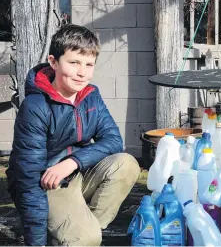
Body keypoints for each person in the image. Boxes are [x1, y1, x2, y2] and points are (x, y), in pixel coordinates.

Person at [6, 24, 140, 246]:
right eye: (74, 62)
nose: (82, 72)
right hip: (45, 185)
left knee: (125, 163)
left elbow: (114, 141)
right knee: (86, 238)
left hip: (75, 173)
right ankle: (72, 233)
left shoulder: (90, 96)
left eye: (89, 64)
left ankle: (78, 230)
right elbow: (28, 179)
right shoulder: (35, 106)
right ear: (53, 62)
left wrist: (72, 163)